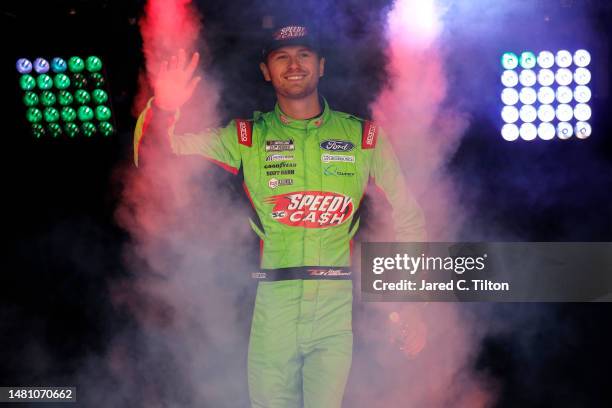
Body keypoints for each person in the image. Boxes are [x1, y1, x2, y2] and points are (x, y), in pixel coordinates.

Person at [133, 22, 425, 408]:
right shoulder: (246, 137)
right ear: (266, 70)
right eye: (281, 57)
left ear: (321, 65)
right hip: (272, 311)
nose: (294, 65)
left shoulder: (364, 137)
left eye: (304, 54)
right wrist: (164, 109)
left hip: (337, 313)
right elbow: (156, 160)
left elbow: (408, 217)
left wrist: (412, 303)